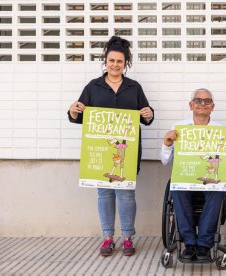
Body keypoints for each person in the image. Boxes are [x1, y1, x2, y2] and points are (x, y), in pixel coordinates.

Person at [68, 36, 154, 257]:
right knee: (104, 195)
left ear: (126, 63)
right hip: (100, 152)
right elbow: (80, 117)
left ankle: (127, 238)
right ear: (105, 61)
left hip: (127, 152)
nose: (115, 64)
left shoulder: (134, 87)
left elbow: (146, 116)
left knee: (126, 196)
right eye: (112, 60)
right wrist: (74, 110)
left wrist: (149, 113)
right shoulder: (93, 87)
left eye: (120, 61)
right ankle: (107, 237)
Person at [161, 88, 226, 262]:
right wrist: (167, 145)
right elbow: (165, 161)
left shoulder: (222, 130)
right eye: (198, 100)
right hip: (186, 178)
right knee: (177, 189)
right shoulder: (178, 128)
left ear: (213, 106)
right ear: (191, 105)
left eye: (207, 101)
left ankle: (204, 244)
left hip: (210, 181)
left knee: (218, 189)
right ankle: (189, 243)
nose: (202, 104)